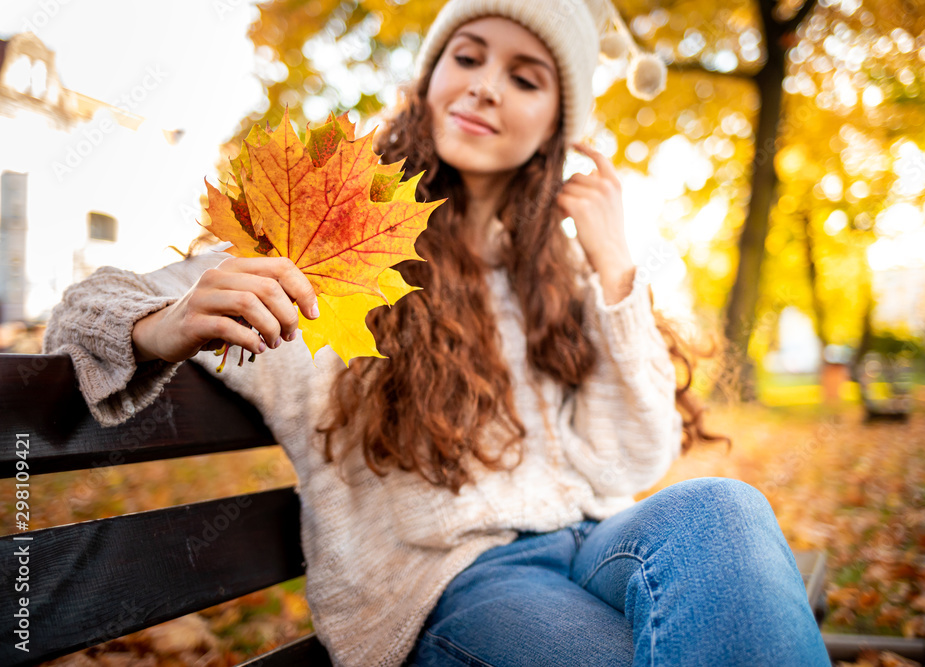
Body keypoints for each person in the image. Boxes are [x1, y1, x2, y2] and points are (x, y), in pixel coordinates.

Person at [42, 0, 832, 665]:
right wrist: (164, 319)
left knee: (724, 511)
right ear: (429, 78)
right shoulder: (329, 240)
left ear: (560, 124)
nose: (485, 88)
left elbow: (639, 455)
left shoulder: (559, 272)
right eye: (468, 56)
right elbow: (81, 312)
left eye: (525, 77)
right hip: (455, 581)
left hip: (596, 542)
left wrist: (616, 271)